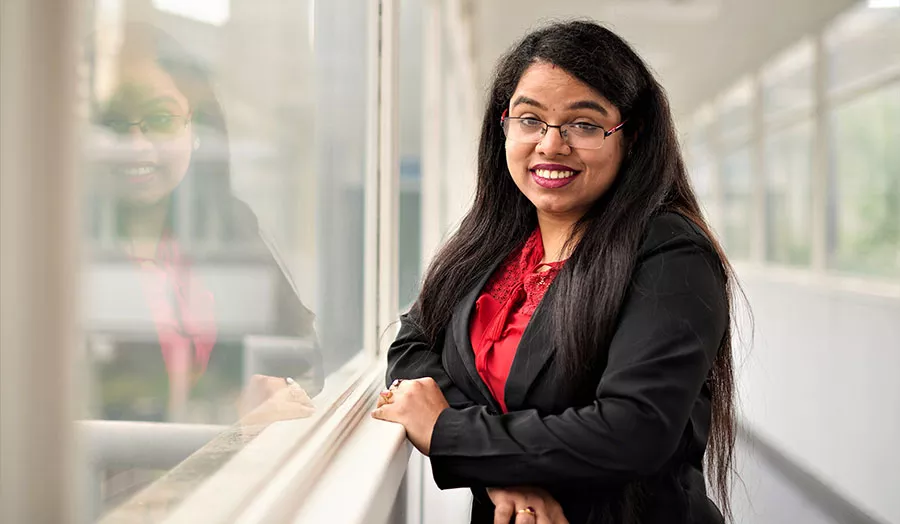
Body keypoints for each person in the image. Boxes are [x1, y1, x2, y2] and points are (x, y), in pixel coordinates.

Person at [373, 20, 738, 524]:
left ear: (630, 138)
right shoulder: (490, 243)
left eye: (584, 125)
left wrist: (449, 434)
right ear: (504, 126)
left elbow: (634, 429)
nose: (550, 145)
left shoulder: (670, 251)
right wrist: (498, 475)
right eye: (529, 120)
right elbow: (411, 349)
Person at [83, 23, 321, 428]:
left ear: (196, 127)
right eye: (115, 123)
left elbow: (300, 352)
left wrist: (264, 395)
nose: (137, 146)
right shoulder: (61, 245)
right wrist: (231, 423)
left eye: (160, 119)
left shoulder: (226, 225)